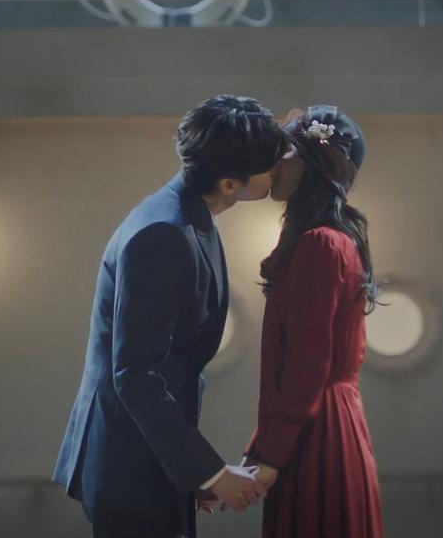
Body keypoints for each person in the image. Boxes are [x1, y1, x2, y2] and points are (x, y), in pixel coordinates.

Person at [53, 95, 288, 538]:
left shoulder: (187, 213)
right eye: (270, 164)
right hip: (128, 466)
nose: (279, 169)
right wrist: (210, 473)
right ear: (230, 184)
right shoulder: (163, 232)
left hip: (153, 458)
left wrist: (194, 473)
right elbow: (135, 374)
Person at [242, 105, 385, 537]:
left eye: (286, 153)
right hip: (325, 423)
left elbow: (307, 365)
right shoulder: (334, 242)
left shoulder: (321, 244)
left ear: (313, 165)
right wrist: (260, 451)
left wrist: (271, 458)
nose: (274, 163)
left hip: (317, 433)